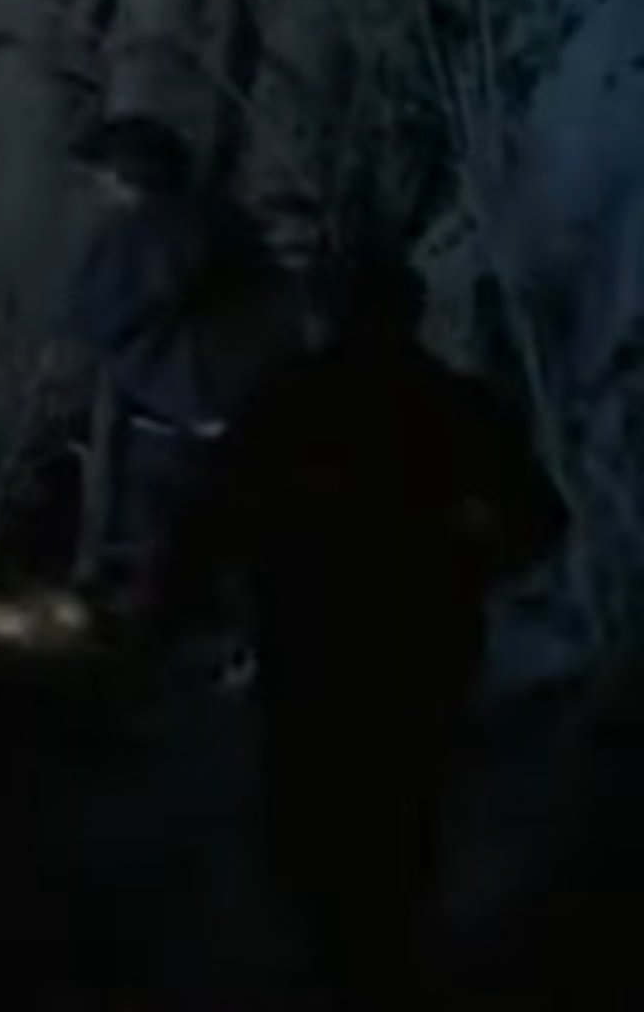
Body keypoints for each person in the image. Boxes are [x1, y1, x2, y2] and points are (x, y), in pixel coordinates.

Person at [164, 257, 568, 1003]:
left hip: (312, 637)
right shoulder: (448, 403)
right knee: (401, 799)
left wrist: (179, 608)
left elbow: (207, 517)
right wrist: (467, 564)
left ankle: (339, 954)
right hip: (418, 638)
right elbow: (538, 519)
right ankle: (385, 955)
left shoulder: (291, 403)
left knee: (314, 801)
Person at [65, 116, 309, 613]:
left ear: (123, 175)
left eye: (102, 177)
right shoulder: (219, 218)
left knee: (162, 547)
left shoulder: (150, 229)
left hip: (184, 407)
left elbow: (106, 312)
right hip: (245, 404)